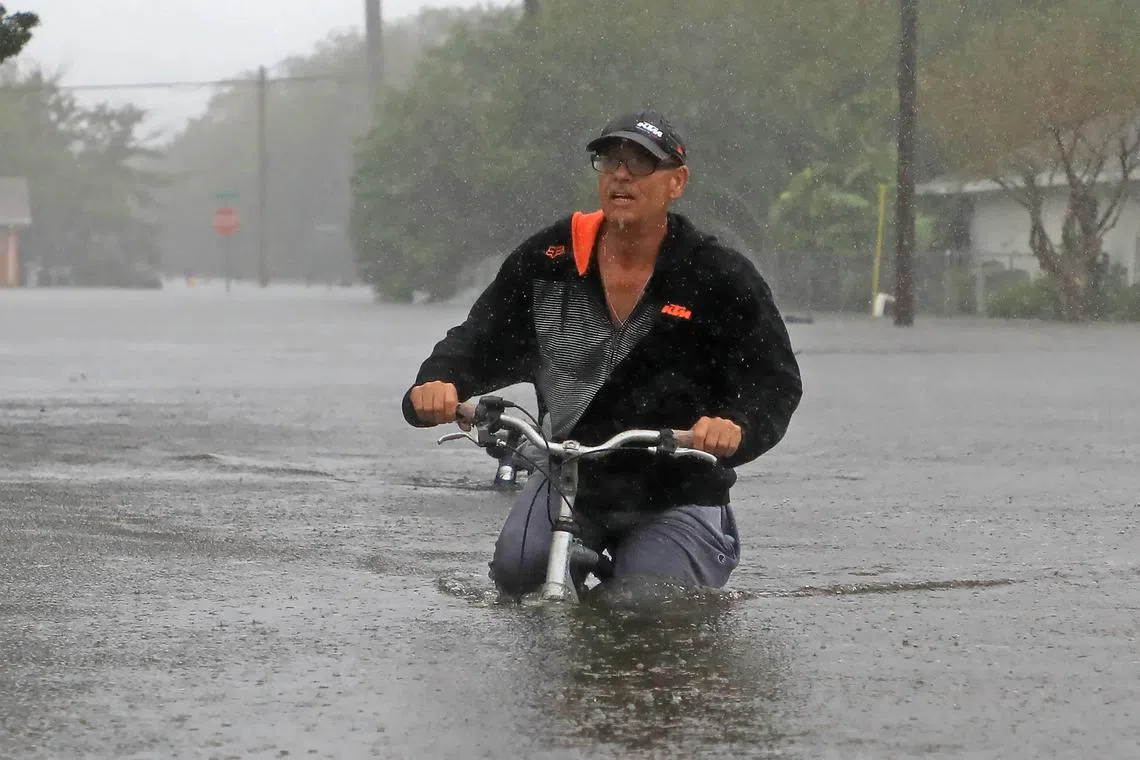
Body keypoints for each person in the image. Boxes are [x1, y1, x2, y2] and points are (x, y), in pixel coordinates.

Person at [402, 110, 802, 597]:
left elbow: (775, 381)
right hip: (573, 479)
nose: (622, 175)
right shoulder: (550, 260)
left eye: (641, 164)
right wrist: (440, 382)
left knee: (643, 608)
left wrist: (737, 426)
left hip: (678, 489)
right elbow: (480, 337)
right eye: (611, 160)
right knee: (518, 576)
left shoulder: (717, 275)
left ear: (676, 182)